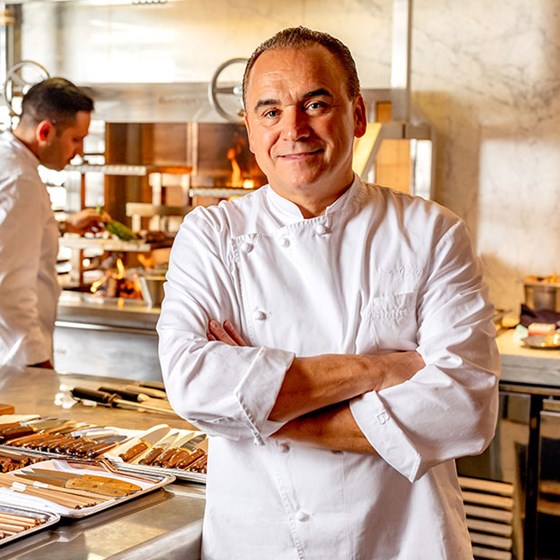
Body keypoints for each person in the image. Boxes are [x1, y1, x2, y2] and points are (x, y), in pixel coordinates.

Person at [158, 26, 500, 560]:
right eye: (270, 111)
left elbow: (464, 408)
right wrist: (381, 370)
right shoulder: (212, 235)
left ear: (357, 115)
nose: (293, 129)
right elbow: (195, 387)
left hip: (403, 539)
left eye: (314, 104)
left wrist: (259, 410)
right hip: (259, 538)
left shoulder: (432, 232)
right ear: (249, 129)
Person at [0, 77, 108, 369]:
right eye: (76, 139)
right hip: (14, 362)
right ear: (45, 131)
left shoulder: (9, 164)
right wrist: (36, 361)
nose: (80, 152)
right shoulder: (20, 181)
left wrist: (60, 226)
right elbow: (8, 288)